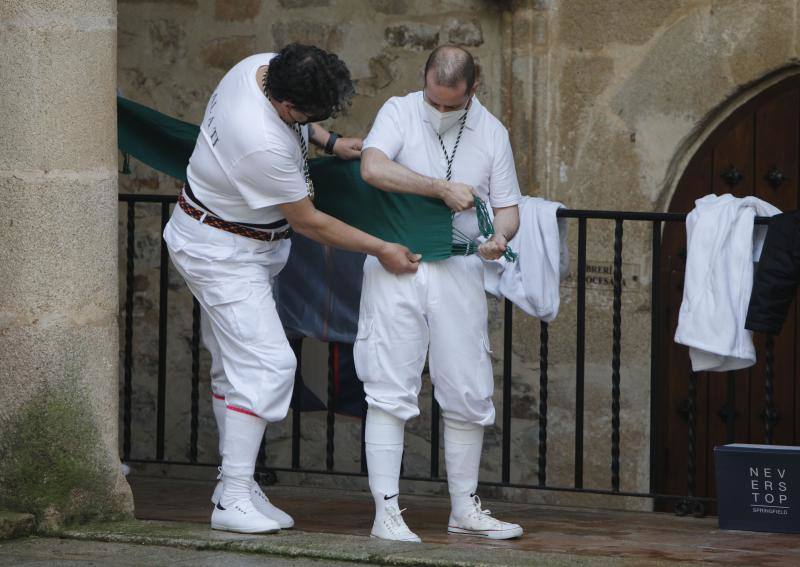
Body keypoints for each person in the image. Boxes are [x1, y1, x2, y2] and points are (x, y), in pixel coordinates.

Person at [163, 43, 421, 535]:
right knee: (269, 364)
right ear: (285, 107)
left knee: (232, 367)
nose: (311, 122)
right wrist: (381, 247)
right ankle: (234, 495)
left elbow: (302, 123)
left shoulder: (264, 65)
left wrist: (329, 141)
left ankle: (233, 485)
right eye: (308, 116)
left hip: (232, 240)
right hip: (221, 252)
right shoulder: (260, 139)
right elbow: (310, 223)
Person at [356, 45, 524, 541]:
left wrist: (501, 238)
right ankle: (386, 512)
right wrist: (439, 187)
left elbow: (509, 207)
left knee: (468, 387)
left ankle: (464, 509)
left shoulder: (492, 130)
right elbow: (371, 167)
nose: (442, 111)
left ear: (473, 90)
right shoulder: (399, 110)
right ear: (424, 81)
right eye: (435, 100)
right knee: (388, 385)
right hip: (398, 260)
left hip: (459, 264)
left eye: (453, 104)